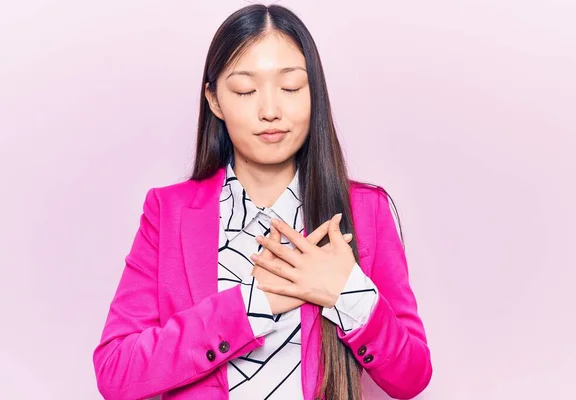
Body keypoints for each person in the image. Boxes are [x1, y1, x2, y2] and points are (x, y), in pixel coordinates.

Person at [92, 4, 432, 400]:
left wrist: (347, 292)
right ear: (215, 100)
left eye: (290, 88)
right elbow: (116, 372)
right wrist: (253, 304)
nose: (270, 111)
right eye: (245, 90)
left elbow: (411, 377)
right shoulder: (169, 212)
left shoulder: (366, 210)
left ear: (313, 93)